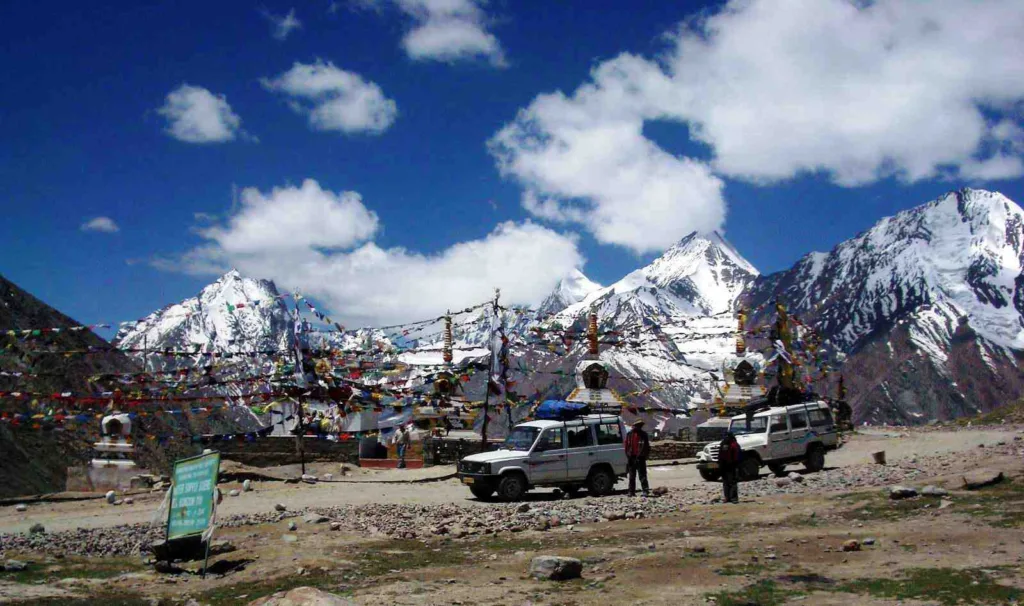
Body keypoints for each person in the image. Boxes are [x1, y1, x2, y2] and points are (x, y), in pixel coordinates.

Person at [624, 419, 651, 497]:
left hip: (641, 457)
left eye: (640, 426)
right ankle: (631, 492)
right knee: (632, 476)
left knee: (642, 475)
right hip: (631, 457)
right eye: (637, 425)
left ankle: (645, 491)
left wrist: (645, 456)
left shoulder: (643, 435)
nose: (639, 427)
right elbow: (626, 445)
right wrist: (628, 455)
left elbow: (647, 447)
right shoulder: (629, 434)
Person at [719, 431, 741, 504]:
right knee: (733, 482)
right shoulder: (734, 444)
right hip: (732, 466)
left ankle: (727, 497)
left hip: (723, 466)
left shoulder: (723, 444)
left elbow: (719, 455)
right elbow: (738, 456)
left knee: (726, 482)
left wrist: (720, 465)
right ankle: (733, 498)